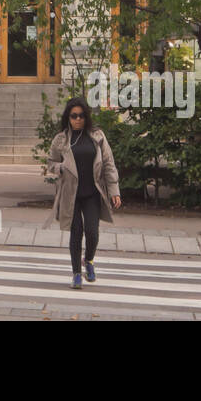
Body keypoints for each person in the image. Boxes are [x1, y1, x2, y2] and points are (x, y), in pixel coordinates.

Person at [46, 96, 121, 289]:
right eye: (73, 116)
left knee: (92, 232)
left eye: (81, 115)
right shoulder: (61, 139)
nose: (77, 119)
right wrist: (60, 167)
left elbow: (109, 164)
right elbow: (50, 163)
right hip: (70, 195)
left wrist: (114, 191)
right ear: (68, 117)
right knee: (76, 233)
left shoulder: (97, 136)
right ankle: (76, 274)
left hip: (92, 193)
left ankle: (89, 261)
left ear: (86, 116)